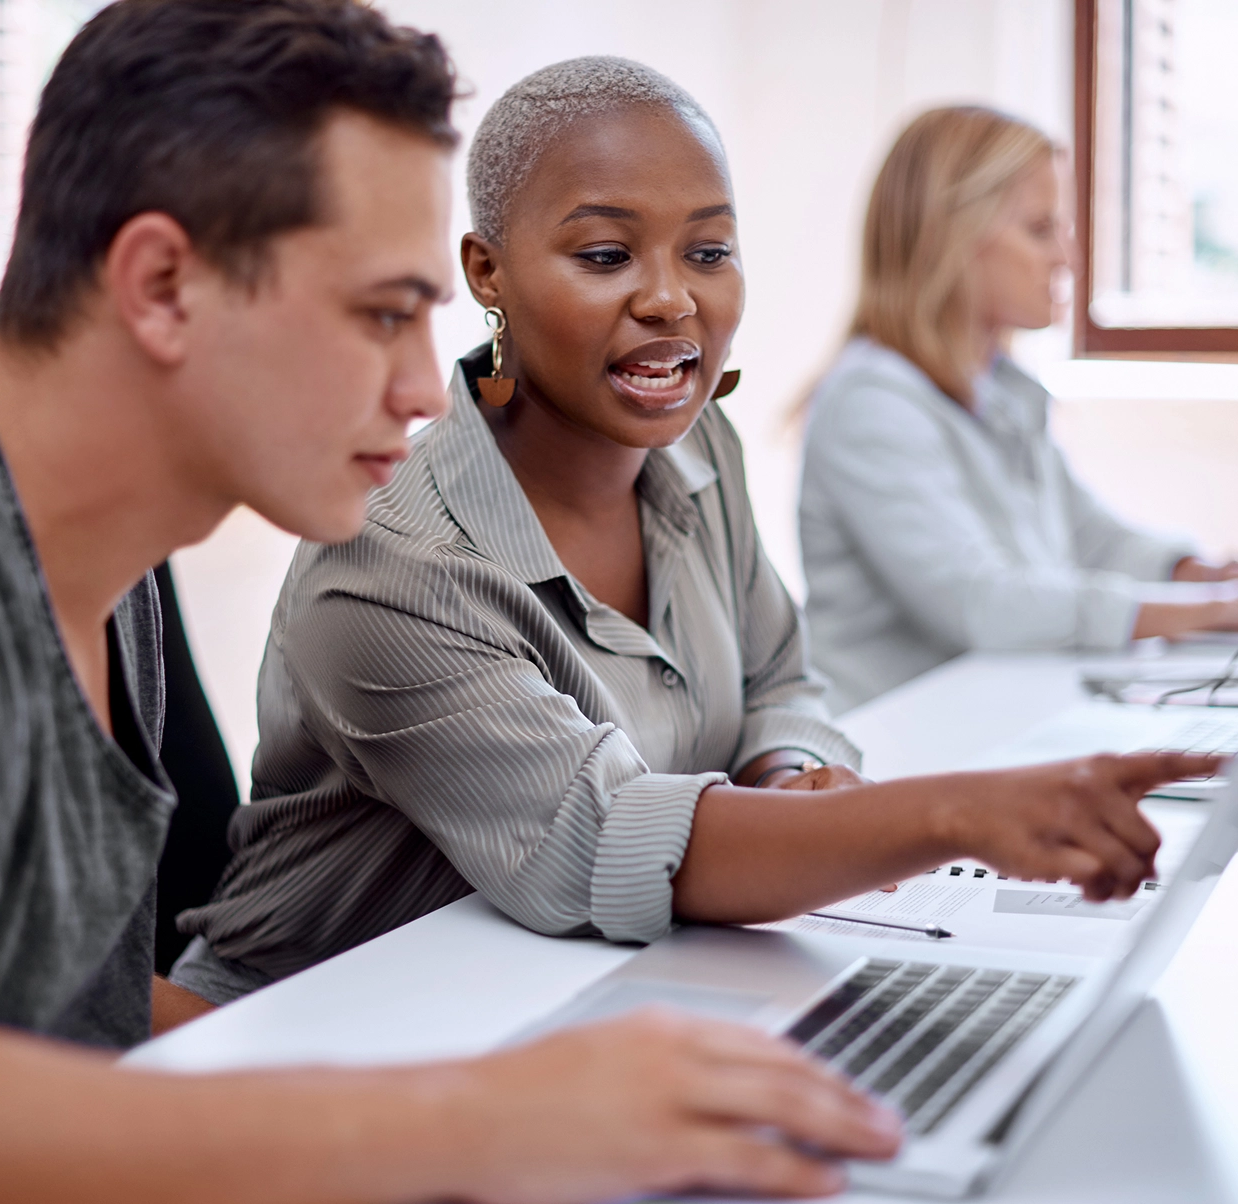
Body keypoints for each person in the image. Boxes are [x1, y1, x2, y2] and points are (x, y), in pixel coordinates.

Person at [0, 2, 912, 1204]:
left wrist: (513, 1080)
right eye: (383, 312)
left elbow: (70, 1027)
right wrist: (474, 1118)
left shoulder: (100, 570)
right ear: (163, 285)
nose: (422, 387)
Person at [170, 60, 1213, 1011]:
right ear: (486, 273)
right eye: (605, 254)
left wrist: (787, 770)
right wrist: (946, 817)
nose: (671, 299)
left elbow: (778, 677)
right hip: (305, 1040)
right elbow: (608, 839)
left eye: (707, 251)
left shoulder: (696, 445)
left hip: (573, 992)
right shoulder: (397, 560)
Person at [798, 105, 1238, 712]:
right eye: (1039, 229)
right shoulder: (868, 405)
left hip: (995, 720)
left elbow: (1089, 537)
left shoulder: (1001, 390)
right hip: (898, 746)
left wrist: (1205, 574)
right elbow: (984, 604)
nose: (1066, 258)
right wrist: (1211, 613)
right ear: (951, 240)